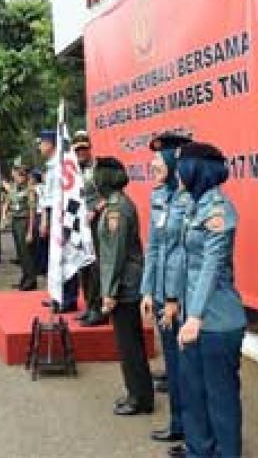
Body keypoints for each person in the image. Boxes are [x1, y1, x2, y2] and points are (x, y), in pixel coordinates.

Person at [175, 142, 246, 458]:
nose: (177, 173)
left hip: (216, 320)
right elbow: (185, 263)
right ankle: (198, 451)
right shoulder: (193, 204)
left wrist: (194, 318)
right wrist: (176, 304)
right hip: (193, 317)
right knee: (193, 392)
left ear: (195, 169)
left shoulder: (219, 209)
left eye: (182, 166)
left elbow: (211, 267)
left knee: (220, 398)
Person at [140, 133, 193, 454]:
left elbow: (186, 254)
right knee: (172, 364)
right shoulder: (159, 196)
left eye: (159, 160)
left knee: (186, 367)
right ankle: (178, 423)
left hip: (182, 298)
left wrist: (173, 298)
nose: (153, 165)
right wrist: (149, 290)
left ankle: (194, 431)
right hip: (161, 295)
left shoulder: (190, 199)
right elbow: (155, 246)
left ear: (175, 161)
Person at [96, 156, 154, 416]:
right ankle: (137, 393)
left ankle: (139, 398)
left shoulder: (116, 210)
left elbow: (114, 254)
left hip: (124, 284)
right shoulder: (114, 205)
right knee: (130, 343)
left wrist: (109, 292)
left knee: (129, 344)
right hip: (127, 281)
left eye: (98, 176)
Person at [38, 129, 79, 311]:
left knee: (66, 257)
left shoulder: (61, 165)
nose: (40, 146)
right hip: (55, 216)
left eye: (42, 142)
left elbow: (56, 197)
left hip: (62, 217)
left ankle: (68, 299)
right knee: (55, 258)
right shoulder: (52, 165)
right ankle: (58, 295)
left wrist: (46, 220)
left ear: (50, 144)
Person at [73, 131, 106, 326]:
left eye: (84, 148)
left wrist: (94, 210)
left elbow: (110, 194)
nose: (81, 152)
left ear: (90, 148)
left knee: (96, 267)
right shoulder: (73, 171)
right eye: (77, 149)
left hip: (96, 221)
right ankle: (89, 305)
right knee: (83, 266)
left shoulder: (99, 169)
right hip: (79, 225)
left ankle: (99, 309)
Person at [2, 166, 37, 290]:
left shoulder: (30, 189)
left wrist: (30, 231)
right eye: (15, 176)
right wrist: (5, 216)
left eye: (18, 175)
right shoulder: (13, 188)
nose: (16, 178)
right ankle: (24, 277)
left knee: (27, 252)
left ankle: (31, 279)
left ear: (24, 176)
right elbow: (7, 202)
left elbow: (32, 210)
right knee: (20, 252)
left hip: (25, 221)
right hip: (15, 221)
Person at [30, 169, 48, 276]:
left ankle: (40, 266)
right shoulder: (44, 187)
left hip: (39, 214)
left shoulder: (36, 188)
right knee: (43, 243)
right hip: (44, 215)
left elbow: (33, 203)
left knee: (39, 243)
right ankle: (43, 265)